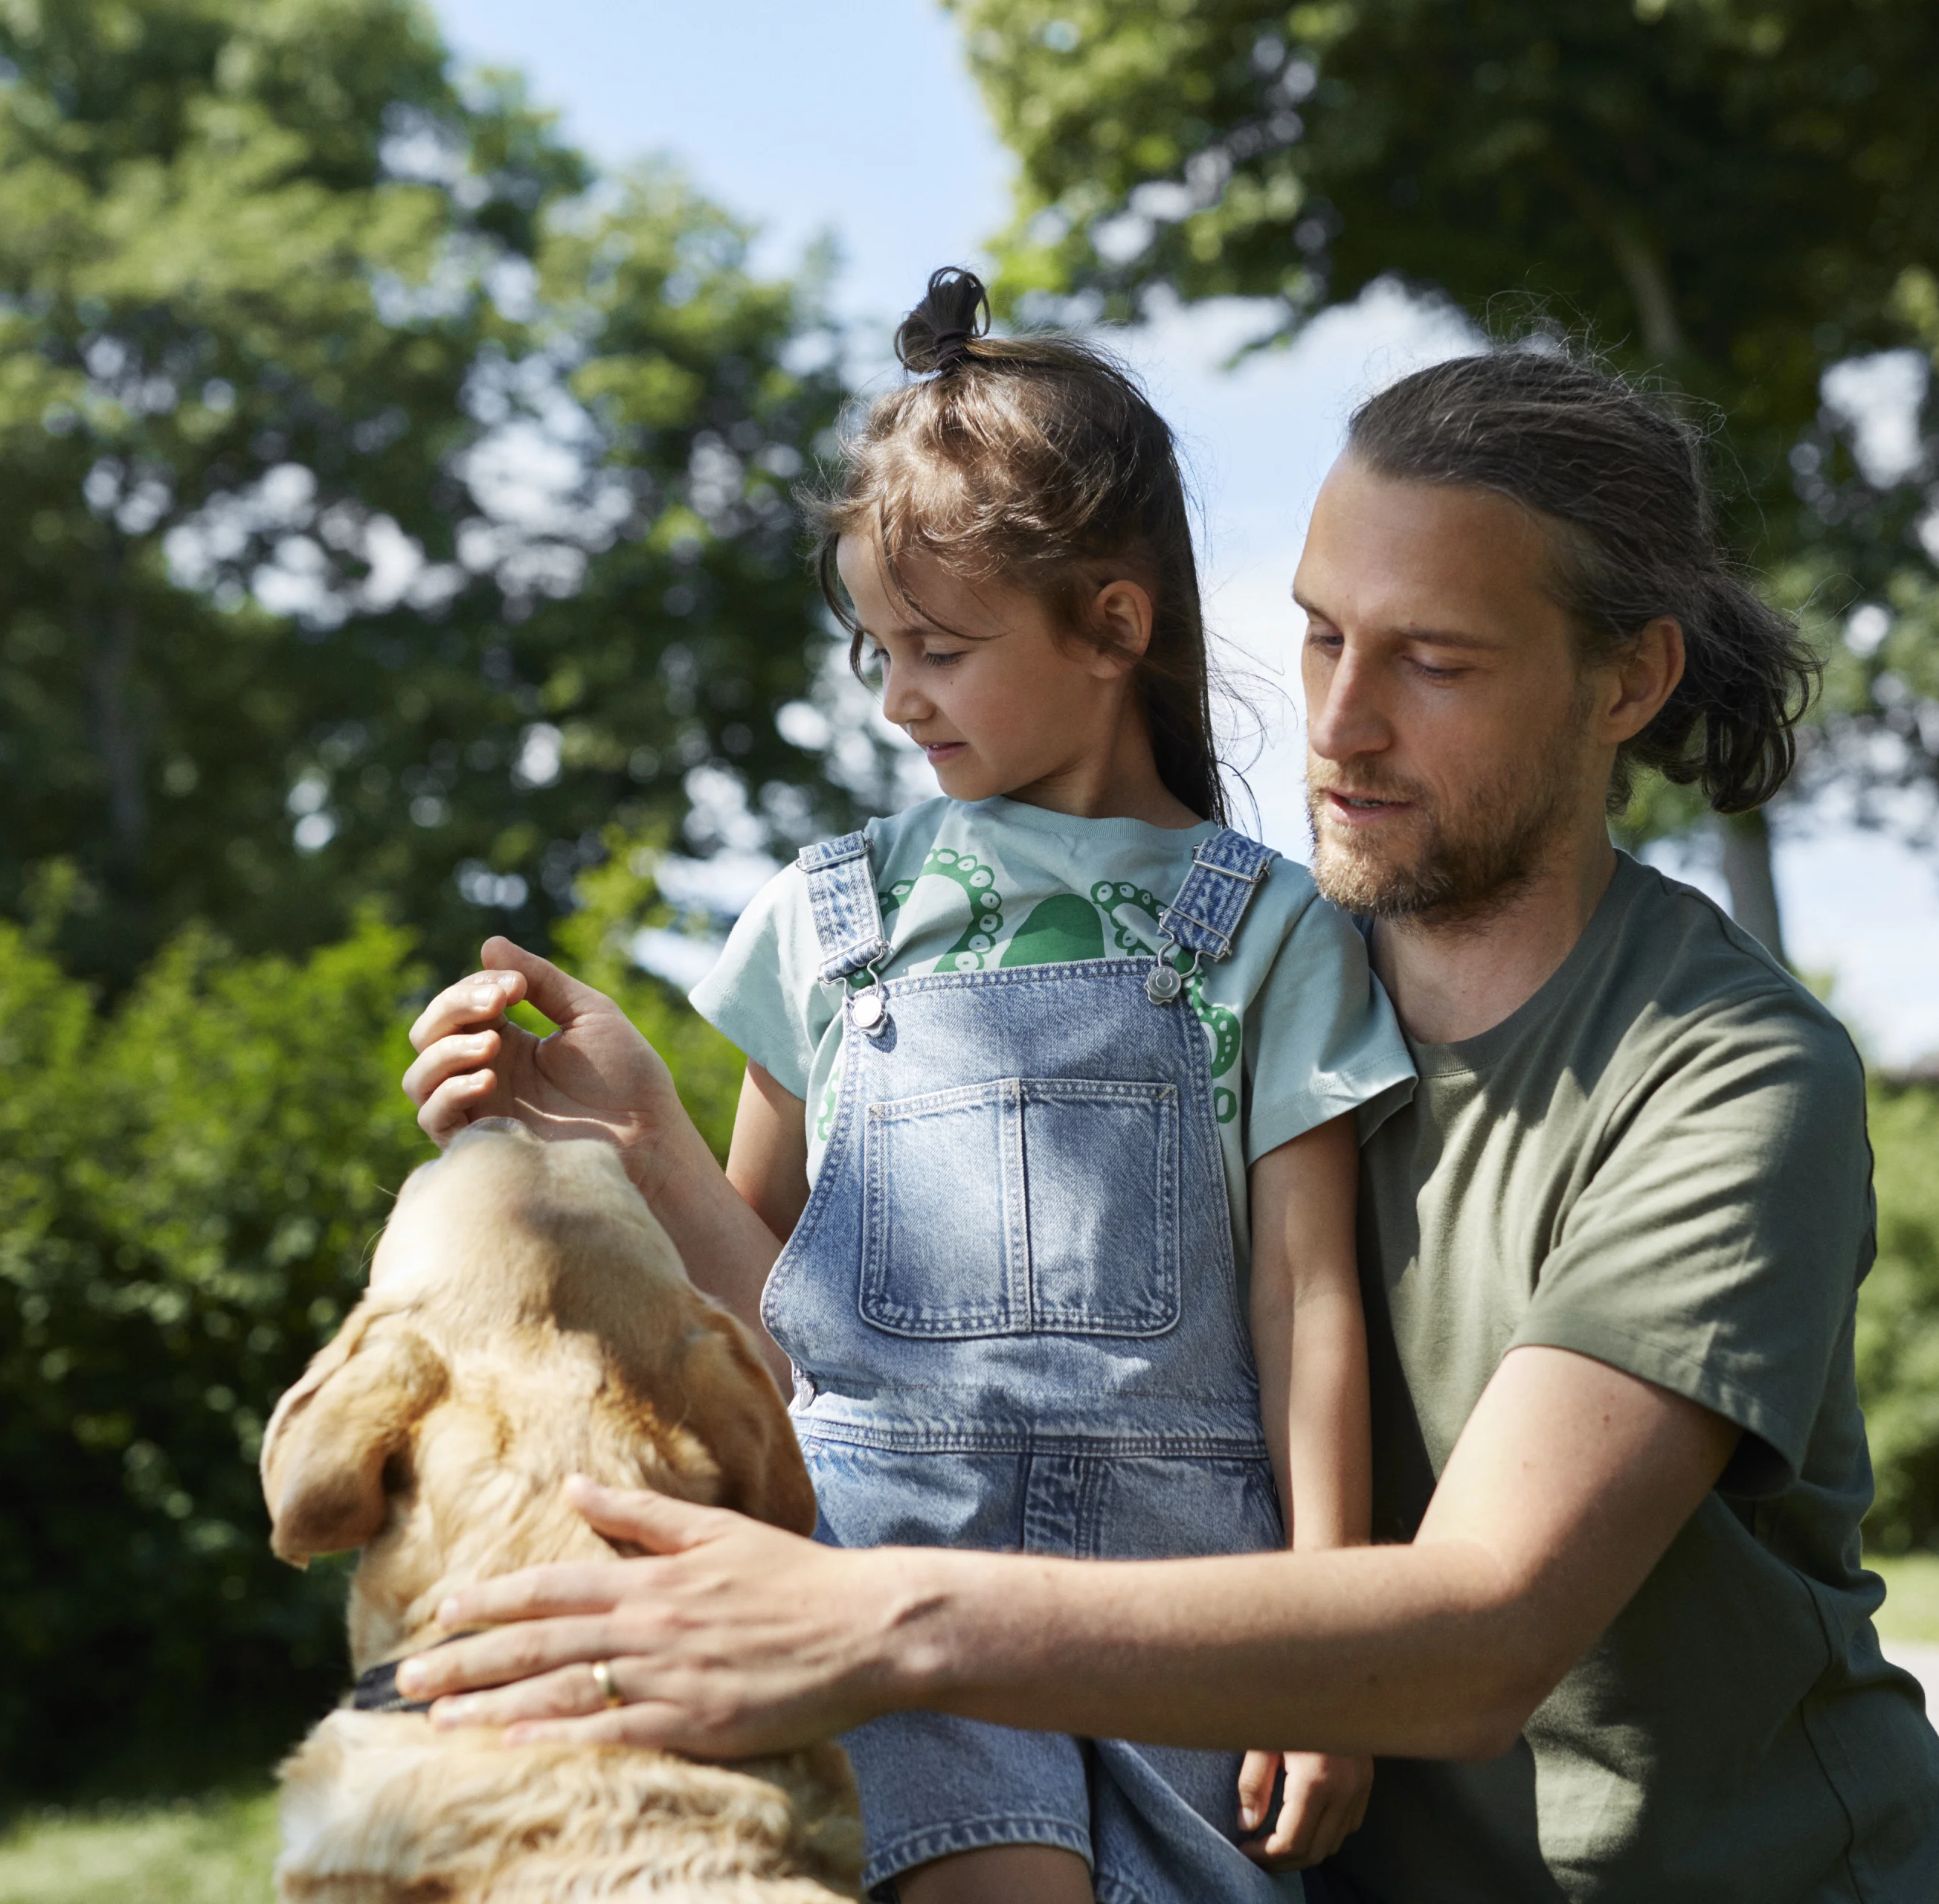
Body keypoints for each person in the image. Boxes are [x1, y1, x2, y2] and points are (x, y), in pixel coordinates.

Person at [396, 338, 1939, 1901]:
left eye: (1434, 659)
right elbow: (831, 1350)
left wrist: (869, 1621)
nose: (1339, 725)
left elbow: (1481, 1633)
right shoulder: (1223, 967)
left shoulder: (1723, 1076)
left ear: (1628, 678)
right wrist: (631, 1147)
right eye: (1321, 634)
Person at [425, 267, 1415, 1904]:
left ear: (1115, 623)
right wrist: (631, 1131)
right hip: (875, 1563)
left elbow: (1309, 1301)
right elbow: (773, 1327)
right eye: (878, 648)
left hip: (1193, 1607)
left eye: (942, 648)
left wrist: (1333, 1635)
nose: (898, 697)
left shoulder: (1269, 925)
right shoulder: (826, 926)